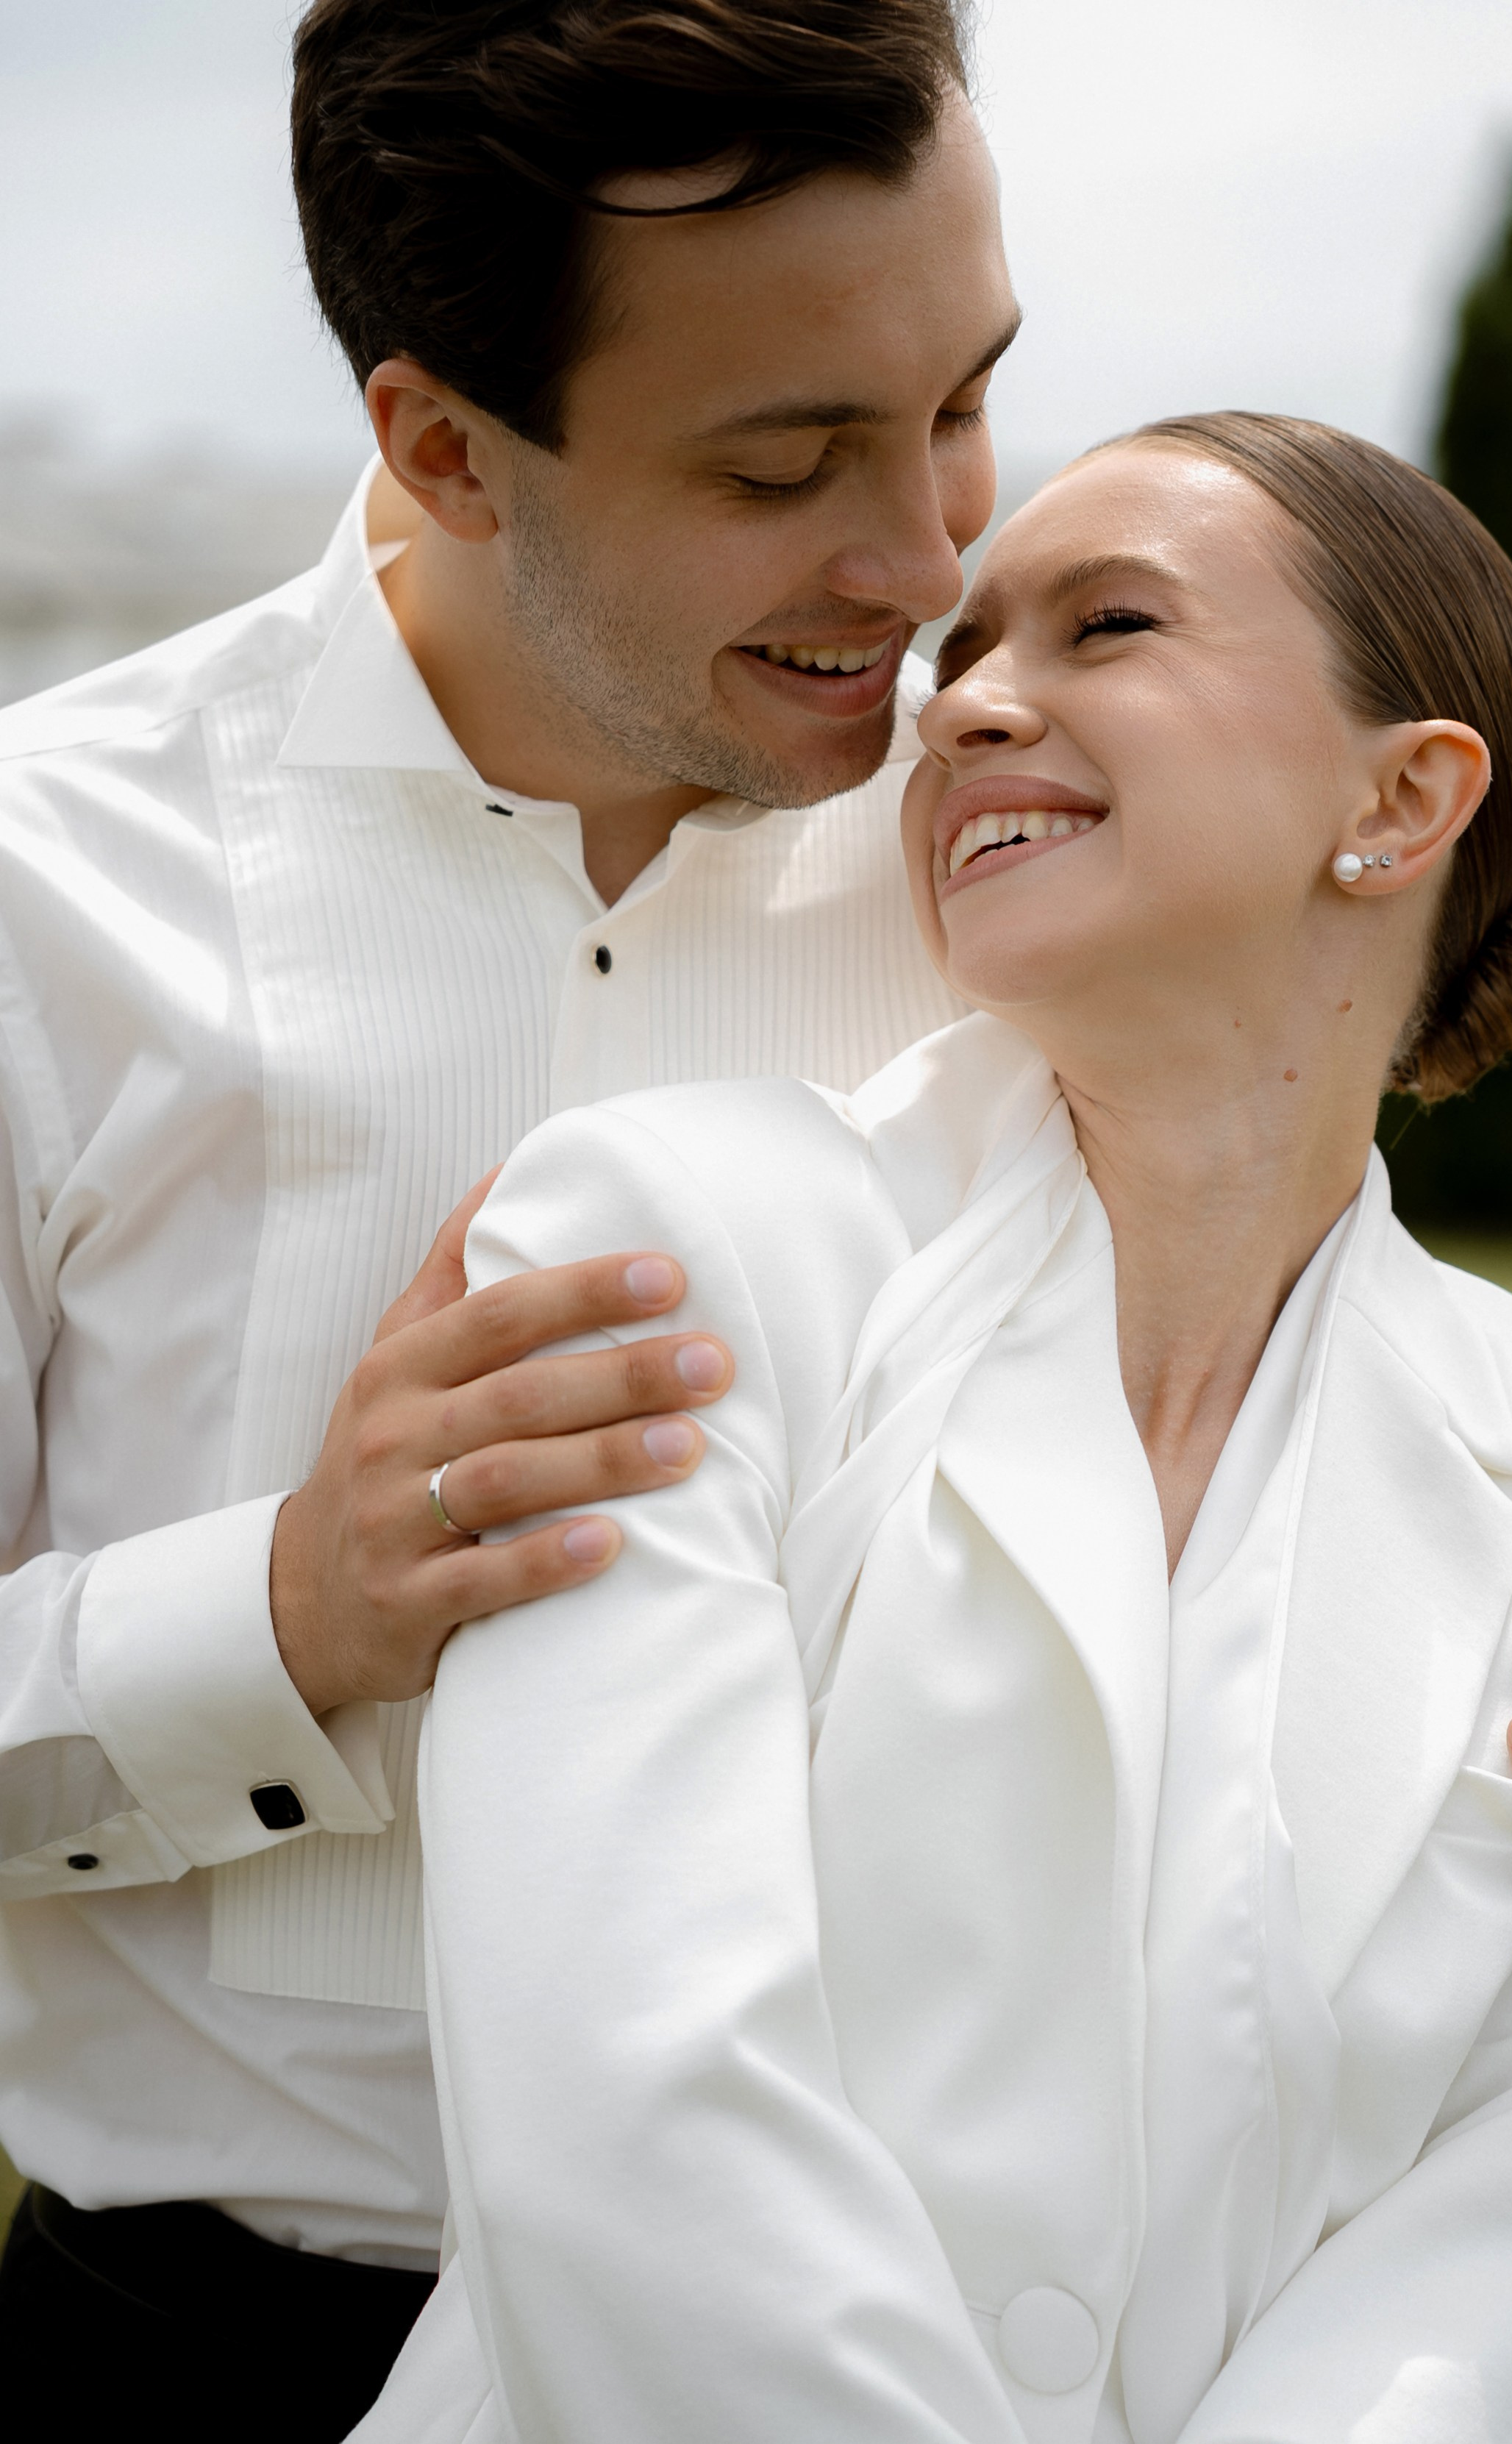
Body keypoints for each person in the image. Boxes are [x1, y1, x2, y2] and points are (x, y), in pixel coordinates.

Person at [357, 415, 1512, 2444]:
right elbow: (628, 2108)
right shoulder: (669, 1250)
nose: (963, 707)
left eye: (1105, 624)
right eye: (970, 651)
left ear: (1403, 795)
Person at [0, 3, 1017, 2432]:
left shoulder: (1051, 844)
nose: (934, 551)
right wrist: (287, 1608)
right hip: (207, 2354)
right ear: (443, 445)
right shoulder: (42, 892)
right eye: (786, 466)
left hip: (943, 2344)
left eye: (968, 395)